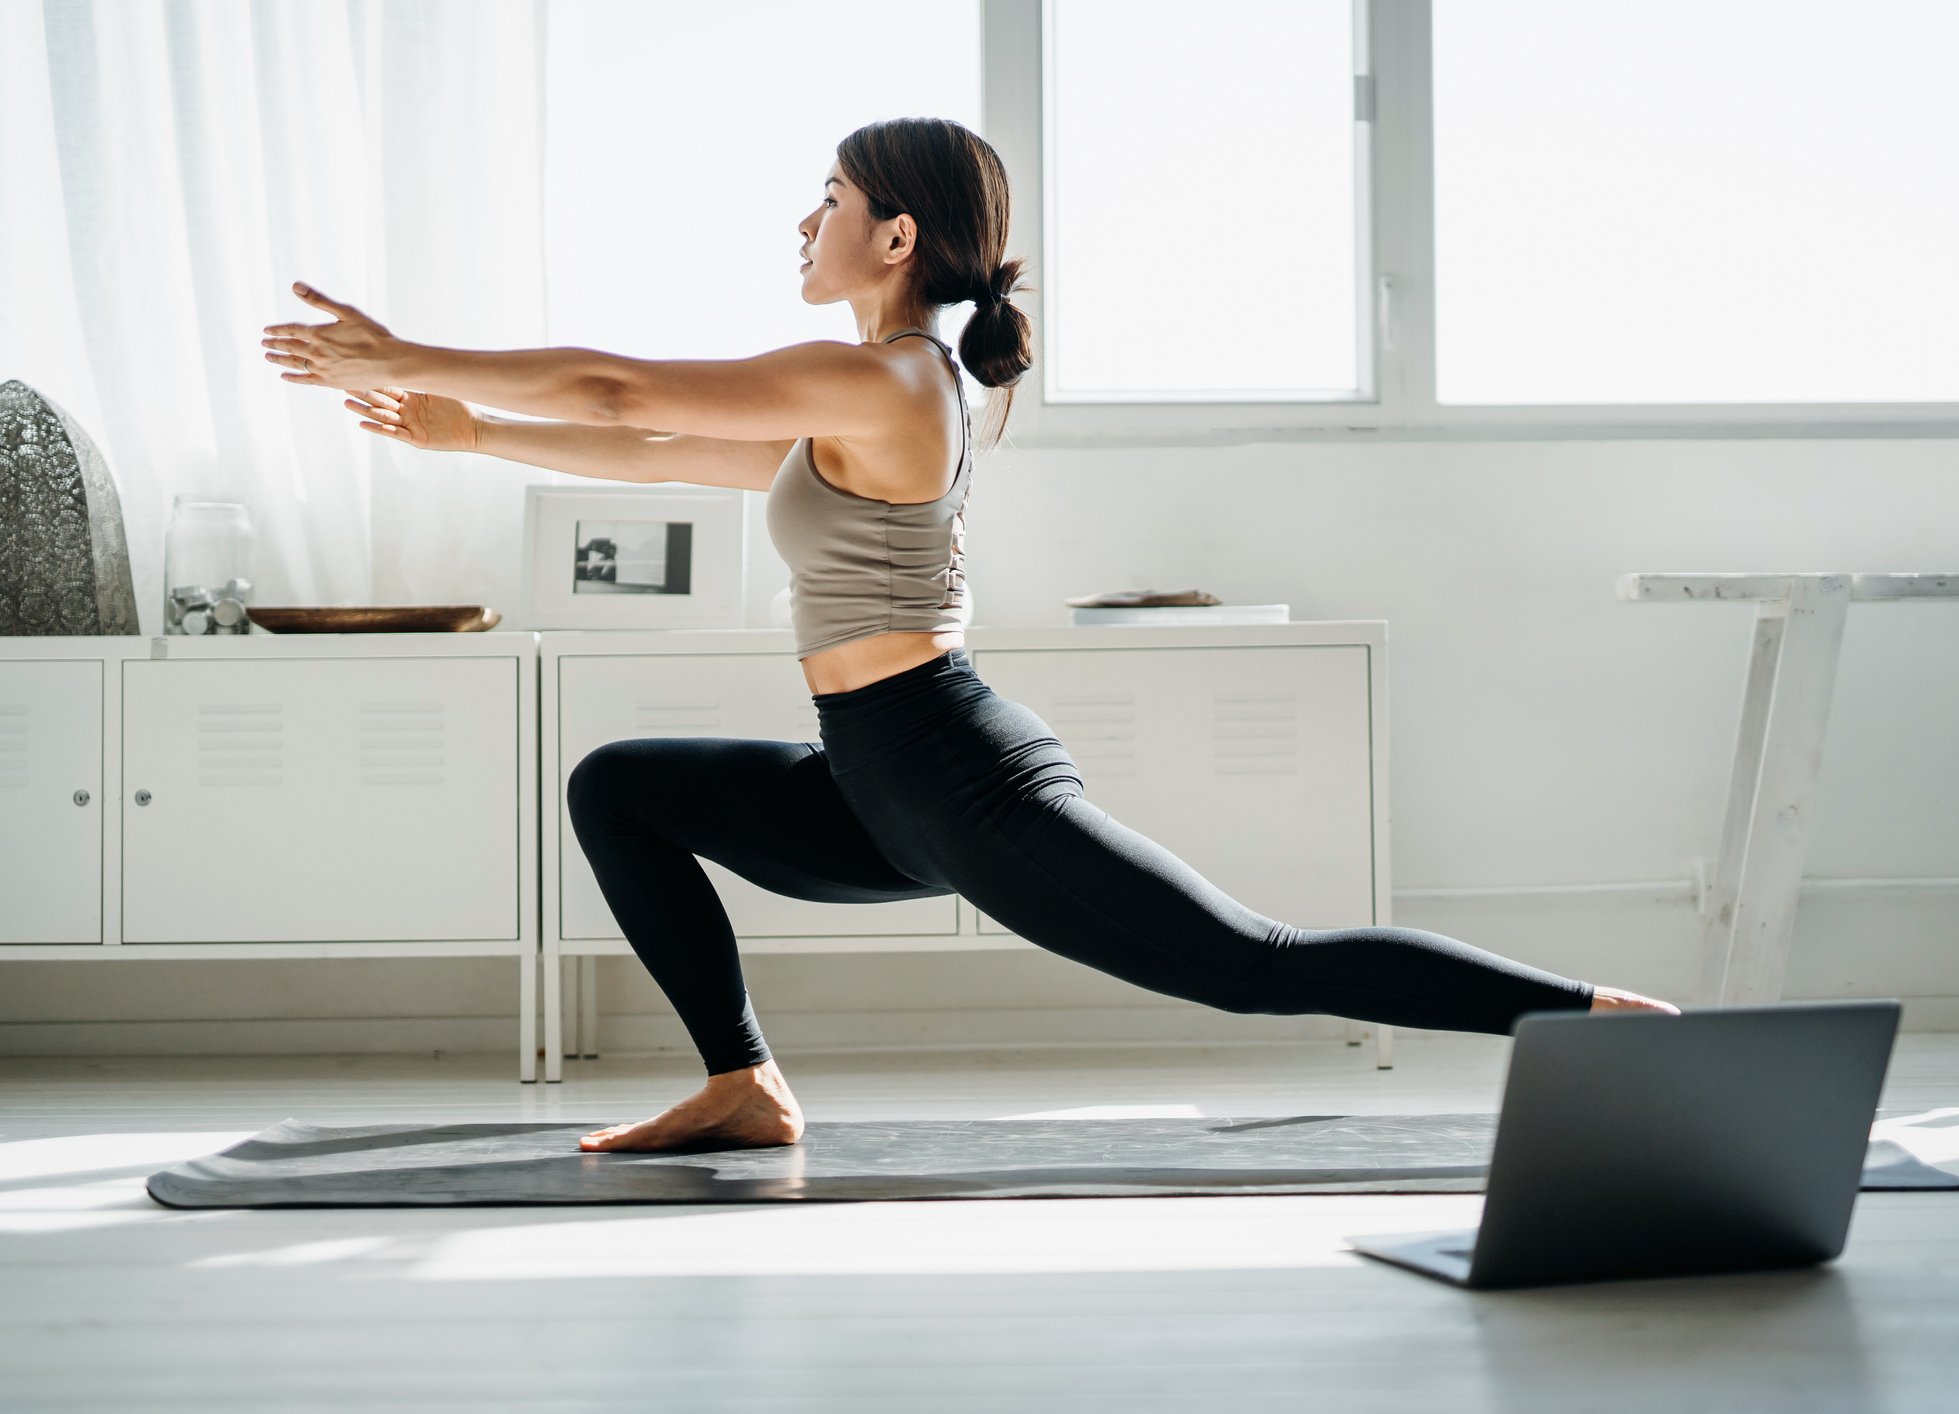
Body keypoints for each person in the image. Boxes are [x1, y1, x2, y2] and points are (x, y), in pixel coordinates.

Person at [261, 116, 1679, 1155]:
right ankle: (743, 1082)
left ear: (894, 236)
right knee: (618, 784)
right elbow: (674, 451)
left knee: (1253, 963)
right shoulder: (853, 398)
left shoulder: (888, 375)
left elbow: (627, 389)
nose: (804, 223)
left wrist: (410, 354)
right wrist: (475, 433)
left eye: (827, 199)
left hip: (955, 777)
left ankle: (1606, 1021)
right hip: (873, 783)